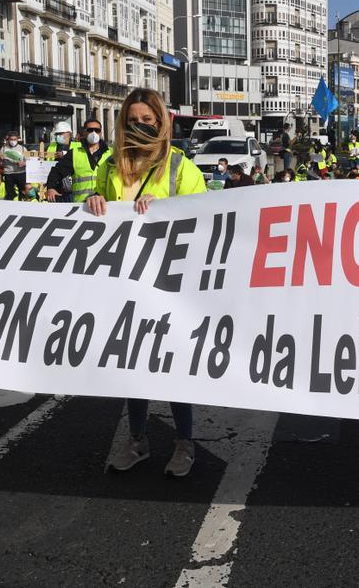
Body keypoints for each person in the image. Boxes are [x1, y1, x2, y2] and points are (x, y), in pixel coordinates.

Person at [85, 87, 206, 478]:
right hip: (125, 281)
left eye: (147, 121)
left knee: (173, 368)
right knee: (132, 365)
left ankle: (184, 444)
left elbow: (205, 216)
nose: (139, 127)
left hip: (170, 283)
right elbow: (96, 208)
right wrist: (92, 202)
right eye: (132, 121)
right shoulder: (108, 165)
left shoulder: (181, 167)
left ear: (161, 123)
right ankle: (138, 440)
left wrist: (169, 210)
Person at [47, 118, 108, 203]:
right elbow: (57, 171)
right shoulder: (75, 153)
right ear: (84, 133)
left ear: (101, 132)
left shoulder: (110, 153)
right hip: (81, 206)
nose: (93, 133)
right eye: (90, 130)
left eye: (97, 130)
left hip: (106, 206)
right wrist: (51, 188)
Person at [0, 131, 28, 200]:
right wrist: (1, 160)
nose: (13, 141)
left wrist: (24, 163)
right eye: (11, 139)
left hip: (21, 173)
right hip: (8, 174)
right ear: (8, 139)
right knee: (10, 193)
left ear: (17, 139)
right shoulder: (3, 148)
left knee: (23, 192)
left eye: (15, 139)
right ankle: (11, 208)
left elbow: (29, 161)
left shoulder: (22, 148)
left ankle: (22, 206)